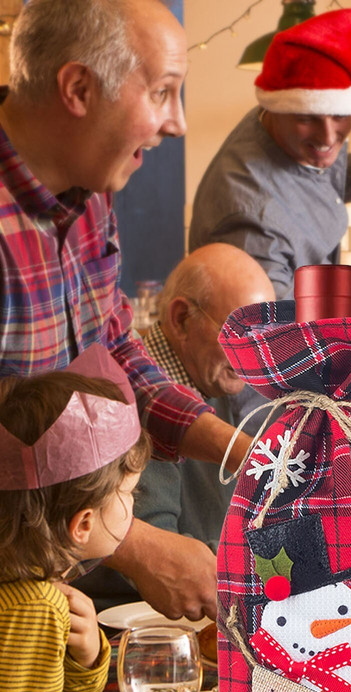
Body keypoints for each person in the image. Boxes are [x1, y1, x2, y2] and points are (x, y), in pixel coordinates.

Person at [0, 0, 253, 621]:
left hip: (49, 584)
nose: (178, 123)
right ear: (79, 88)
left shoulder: (90, 196)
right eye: (163, 92)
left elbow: (112, 358)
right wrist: (132, 544)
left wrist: (234, 446)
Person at [75, 244, 275, 611]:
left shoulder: (212, 382)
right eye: (243, 335)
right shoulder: (128, 409)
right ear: (182, 318)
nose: (258, 356)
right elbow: (159, 562)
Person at [188, 7, 351, 301]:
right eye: (307, 119)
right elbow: (279, 333)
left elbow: (320, 187)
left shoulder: (289, 134)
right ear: (278, 108)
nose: (328, 136)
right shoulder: (252, 215)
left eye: (341, 116)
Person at [0, 345, 150, 692]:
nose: (133, 503)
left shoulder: (33, 592)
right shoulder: (34, 607)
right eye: (129, 493)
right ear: (82, 524)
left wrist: (85, 662)